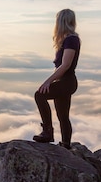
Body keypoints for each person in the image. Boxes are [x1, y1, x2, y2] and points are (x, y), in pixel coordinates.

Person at [33, 9, 80, 149]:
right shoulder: (69, 39)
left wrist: (48, 81)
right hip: (66, 82)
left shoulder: (71, 40)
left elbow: (65, 65)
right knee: (62, 114)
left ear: (61, 22)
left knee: (39, 95)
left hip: (67, 81)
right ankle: (66, 144)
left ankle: (48, 132)